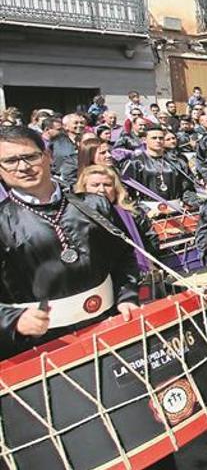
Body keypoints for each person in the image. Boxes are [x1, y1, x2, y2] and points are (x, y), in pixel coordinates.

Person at [0, 126, 140, 360]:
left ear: (48, 156)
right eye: (10, 161)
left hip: (108, 326)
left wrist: (127, 297)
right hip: (42, 347)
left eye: (31, 156)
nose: (23, 167)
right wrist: (12, 320)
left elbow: (123, 256)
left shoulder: (95, 205)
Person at [74, 165, 158, 277]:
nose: (101, 190)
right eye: (95, 185)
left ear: (116, 188)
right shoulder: (75, 217)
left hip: (135, 274)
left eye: (107, 185)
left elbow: (151, 241)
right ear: (84, 188)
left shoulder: (133, 213)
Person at [121, 125, 200, 209]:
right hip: (147, 212)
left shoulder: (177, 161)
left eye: (161, 138)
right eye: (154, 138)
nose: (158, 141)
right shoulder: (136, 163)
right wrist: (140, 210)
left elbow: (187, 188)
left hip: (176, 210)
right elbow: (125, 190)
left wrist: (193, 203)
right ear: (144, 140)